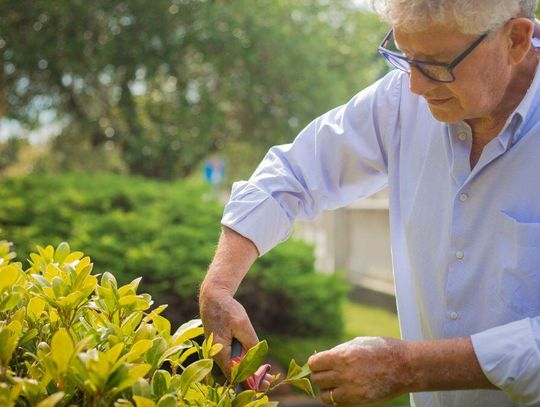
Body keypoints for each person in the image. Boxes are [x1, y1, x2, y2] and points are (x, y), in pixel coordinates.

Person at [199, 0, 540, 405]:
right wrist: (218, 286)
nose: (415, 85)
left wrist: (411, 366)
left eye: (436, 64)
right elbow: (294, 173)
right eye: (404, 56)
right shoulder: (401, 96)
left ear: (515, 40)